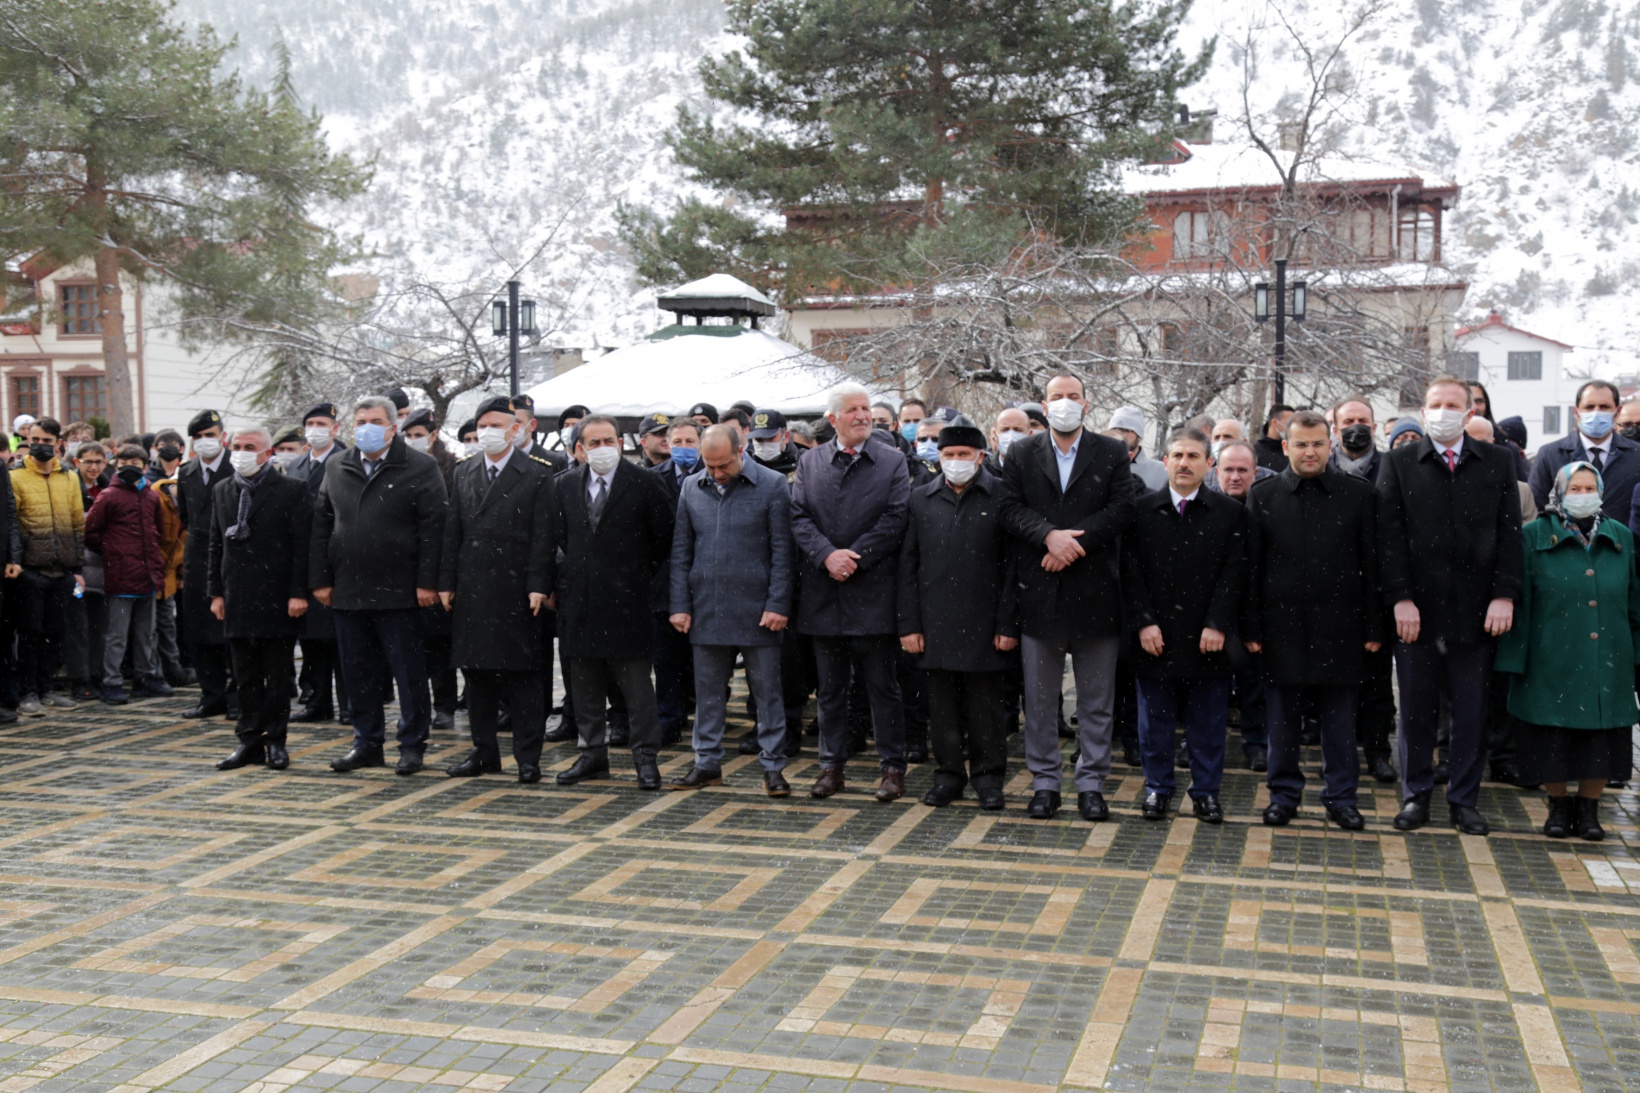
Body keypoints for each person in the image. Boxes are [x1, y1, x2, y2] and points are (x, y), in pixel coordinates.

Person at [1378, 376, 1524, 836]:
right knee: (1417, 710)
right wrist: (1401, 598)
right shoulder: (1400, 462)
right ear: (1424, 412)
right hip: (1416, 613)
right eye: (1434, 404)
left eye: (1452, 404)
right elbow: (1389, 537)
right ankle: (1415, 796)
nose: (1442, 411)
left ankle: (1464, 799)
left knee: (1471, 711)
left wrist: (1504, 594)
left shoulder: (1497, 462)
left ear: (1469, 413)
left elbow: (1509, 536)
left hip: (1477, 611)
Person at [999, 375, 1135, 821]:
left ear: (1086, 404)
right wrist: (1048, 537)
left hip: (1096, 592)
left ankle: (1091, 783)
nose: (1064, 404)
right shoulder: (1021, 452)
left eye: (1072, 397)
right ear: (1044, 404)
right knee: (1039, 701)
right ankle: (1045, 783)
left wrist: (1073, 545)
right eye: (1056, 397)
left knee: (1096, 700)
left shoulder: (1111, 452)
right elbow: (1009, 509)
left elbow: (1121, 509)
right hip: (1039, 593)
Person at [1244, 411, 1382, 830]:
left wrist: (1375, 627)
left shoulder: (1358, 495)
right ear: (1285, 447)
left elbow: (1372, 564)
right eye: (1301, 444)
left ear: (1331, 444)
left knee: (1340, 726)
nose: (1310, 452)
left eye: (1318, 443)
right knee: (1282, 723)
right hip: (1280, 628)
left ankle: (1341, 798)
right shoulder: (1263, 495)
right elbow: (1251, 567)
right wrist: (1251, 627)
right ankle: (1283, 797)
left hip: (1342, 628)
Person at [1497, 462, 1639, 842]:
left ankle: (1588, 810)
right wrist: (1514, 662)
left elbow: (1633, 602)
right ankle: (1558, 806)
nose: (1582, 495)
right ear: (1559, 492)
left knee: (1603, 744)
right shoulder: (1534, 535)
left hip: (1608, 660)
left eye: (1589, 488)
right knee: (1552, 741)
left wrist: (1635, 658)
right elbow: (1519, 603)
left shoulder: (1620, 536)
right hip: (1550, 661)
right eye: (1574, 489)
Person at [312, 396, 448, 775]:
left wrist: (427, 582)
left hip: (401, 591)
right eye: (359, 421)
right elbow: (322, 523)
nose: (365, 428)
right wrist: (320, 578)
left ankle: (411, 744)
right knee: (358, 674)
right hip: (349, 590)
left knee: (408, 674)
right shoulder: (338, 465)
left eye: (374, 421)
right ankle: (367, 742)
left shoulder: (420, 466)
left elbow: (434, 528)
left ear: (392, 427)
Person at [792, 383, 912, 802]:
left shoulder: (893, 462)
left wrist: (854, 557)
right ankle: (831, 767)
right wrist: (827, 555)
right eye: (853, 410)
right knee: (830, 690)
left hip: (873, 593)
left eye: (866, 409)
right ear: (833, 419)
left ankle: (892, 769)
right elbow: (799, 516)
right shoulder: (810, 462)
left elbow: (896, 518)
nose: (862, 415)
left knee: (883, 688)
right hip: (824, 595)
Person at [1123, 427, 1246, 824]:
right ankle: (1157, 789)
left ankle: (1206, 792)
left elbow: (1235, 574)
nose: (1184, 463)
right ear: (1165, 461)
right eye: (1177, 455)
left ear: (1209, 464)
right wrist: (1144, 623)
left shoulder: (1229, 513)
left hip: (1206, 639)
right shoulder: (1142, 511)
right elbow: (1131, 572)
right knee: (1154, 721)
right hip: (1154, 637)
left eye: (1194, 456)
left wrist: (1217, 624)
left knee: (1207, 723)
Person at [668, 424, 795, 794]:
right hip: (707, 608)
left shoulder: (772, 485)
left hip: (760, 612)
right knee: (708, 695)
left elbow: (783, 553)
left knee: (767, 694)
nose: (716, 473)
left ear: (741, 451)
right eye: (709, 465)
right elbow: (681, 551)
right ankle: (706, 763)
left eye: (723, 465)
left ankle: (773, 766)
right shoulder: (692, 486)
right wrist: (680, 605)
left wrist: (778, 604)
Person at [898, 422, 1018, 809]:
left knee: (987, 709)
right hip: (935, 622)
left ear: (980, 457)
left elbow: (1013, 567)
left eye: (963, 455)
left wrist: (1007, 623)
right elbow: (908, 566)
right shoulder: (920, 499)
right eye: (948, 455)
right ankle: (948, 776)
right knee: (942, 708)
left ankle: (988, 778)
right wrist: (909, 624)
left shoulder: (1002, 496)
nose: (955, 462)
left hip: (987, 622)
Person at [551, 415, 674, 789]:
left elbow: (662, 541)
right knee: (584, 684)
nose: (603, 447)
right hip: (581, 603)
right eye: (594, 441)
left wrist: (631, 576)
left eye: (609, 440)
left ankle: (645, 758)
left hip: (628, 602)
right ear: (580, 449)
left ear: (621, 443)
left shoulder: (646, 483)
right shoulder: (563, 486)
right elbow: (559, 540)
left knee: (636, 688)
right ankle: (592, 754)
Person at [438, 396, 556, 783]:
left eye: (497, 424)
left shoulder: (539, 472)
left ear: (515, 429)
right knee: (477, 678)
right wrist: (445, 582)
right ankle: (484, 751)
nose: (489, 431)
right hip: (473, 588)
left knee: (523, 679)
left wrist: (539, 584)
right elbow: (451, 529)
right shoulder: (463, 470)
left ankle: (527, 757)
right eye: (483, 424)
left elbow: (543, 537)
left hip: (517, 588)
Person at [207, 427, 311, 771]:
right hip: (236, 594)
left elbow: (301, 547)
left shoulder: (291, 490)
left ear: (266, 453)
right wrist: (216, 593)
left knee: (278, 677)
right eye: (236, 446)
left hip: (276, 596)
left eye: (249, 447)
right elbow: (215, 544)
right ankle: (248, 741)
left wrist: (298, 593)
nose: (241, 452)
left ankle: (276, 741)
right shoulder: (223, 489)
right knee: (245, 676)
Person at [1328, 397, 1397, 784]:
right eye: (1349, 420)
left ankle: (1377, 750)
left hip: (1378, 584)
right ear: (1335, 427)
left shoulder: (1393, 467)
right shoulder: (1323, 467)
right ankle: (1337, 755)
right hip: (1334, 586)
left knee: (1376, 679)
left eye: (1363, 420)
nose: (1357, 426)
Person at [84, 444, 168, 705]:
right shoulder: (108, 496)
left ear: (145, 465)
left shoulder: (152, 496)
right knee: (117, 635)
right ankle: (111, 682)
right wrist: (113, 552)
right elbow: (91, 533)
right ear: (116, 464)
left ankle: (145, 678)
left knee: (146, 633)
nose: (130, 464)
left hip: (147, 575)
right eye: (125, 460)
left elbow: (157, 531)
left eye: (136, 460)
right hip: (120, 576)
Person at [11, 418, 82, 714]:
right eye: (36, 440)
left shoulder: (69, 477)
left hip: (62, 570)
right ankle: (28, 692)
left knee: (56, 632)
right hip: (30, 569)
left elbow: (78, 524)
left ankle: (47, 687)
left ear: (58, 444)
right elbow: (11, 523)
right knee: (30, 633)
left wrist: (77, 567)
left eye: (47, 441)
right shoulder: (15, 476)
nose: (41, 446)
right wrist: (15, 561)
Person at [286, 403, 350, 725]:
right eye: (310, 423)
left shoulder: (348, 462)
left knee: (342, 640)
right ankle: (316, 700)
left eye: (321, 423)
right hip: (305, 560)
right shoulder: (297, 465)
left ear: (335, 428)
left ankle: (349, 705)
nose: (315, 428)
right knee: (312, 640)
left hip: (337, 560)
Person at [1209, 439, 1268, 770]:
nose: (1234, 476)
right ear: (1216, 471)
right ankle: (1199, 741)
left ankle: (1257, 743)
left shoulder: (1266, 508)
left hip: (1254, 613)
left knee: (1254, 683)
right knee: (1207, 687)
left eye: (1242, 470)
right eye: (1228, 469)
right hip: (1212, 615)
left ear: (1254, 473)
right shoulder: (1206, 507)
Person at [175, 410, 235, 720]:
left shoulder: (236, 466)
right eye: (198, 437)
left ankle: (237, 697)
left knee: (232, 631)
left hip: (232, 553)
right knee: (199, 630)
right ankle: (211, 696)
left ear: (223, 437)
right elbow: (186, 517)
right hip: (198, 557)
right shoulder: (186, 472)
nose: (204, 442)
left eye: (209, 435)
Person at [648, 418, 702, 746]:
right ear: (668, 444)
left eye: (690, 441)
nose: (684, 447)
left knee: (701, 661)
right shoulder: (652, 479)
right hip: (662, 582)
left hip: (703, 581)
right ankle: (668, 718)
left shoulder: (712, 474)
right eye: (678, 441)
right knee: (665, 660)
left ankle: (705, 719)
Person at [1530, 381, 1640, 526]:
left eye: (1604, 407)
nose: (1596, 412)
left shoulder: (1636, 455)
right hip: (1566, 544)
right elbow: (1536, 507)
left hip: (1623, 545)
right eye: (1589, 407)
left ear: (1617, 412)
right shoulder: (1550, 454)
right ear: (1576, 412)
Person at [1106, 406, 1166, 490]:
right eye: (1115, 429)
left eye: (1126, 430)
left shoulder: (1161, 471)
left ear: (1139, 436)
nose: (1120, 434)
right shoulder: (1097, 466)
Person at [1254, 405, 1293, 472]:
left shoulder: (1292, 450)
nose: (1292, 427)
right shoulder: (1255, 452)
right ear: (1275, 422)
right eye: (1289, 423)